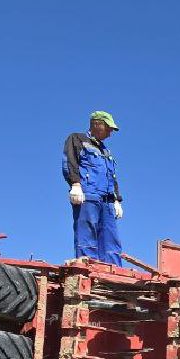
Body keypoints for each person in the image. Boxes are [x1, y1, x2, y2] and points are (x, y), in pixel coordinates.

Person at [61, 110, 124, 265]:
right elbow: (70, 162)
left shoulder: (106, 152)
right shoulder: (77, 139)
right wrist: (75, 184)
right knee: (87, 233)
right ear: (97, 124)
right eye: (108, 128)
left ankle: (113, 269)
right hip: (88, 196)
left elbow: (112, 176)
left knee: (111, 238)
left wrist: (117, 199)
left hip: (107, 201)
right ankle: (88, 267)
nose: (110, 133)